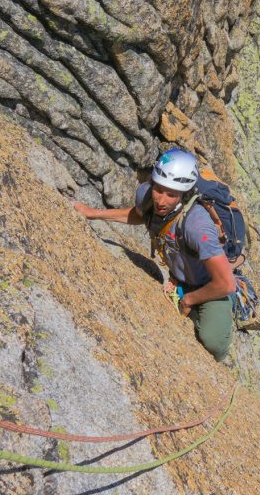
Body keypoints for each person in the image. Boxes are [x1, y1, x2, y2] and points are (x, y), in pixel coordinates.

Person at [73, 149, 236, 361]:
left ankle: (223, 359)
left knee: (213, 342)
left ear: (184, 194)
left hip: (210, 284)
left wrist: (189, 300)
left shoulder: (197, 225)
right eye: (159, 189)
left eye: (171, 194)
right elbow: (140, 214)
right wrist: (94, 214)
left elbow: (225, 284)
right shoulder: (146, 195)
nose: (161, 200)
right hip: (184, 276)